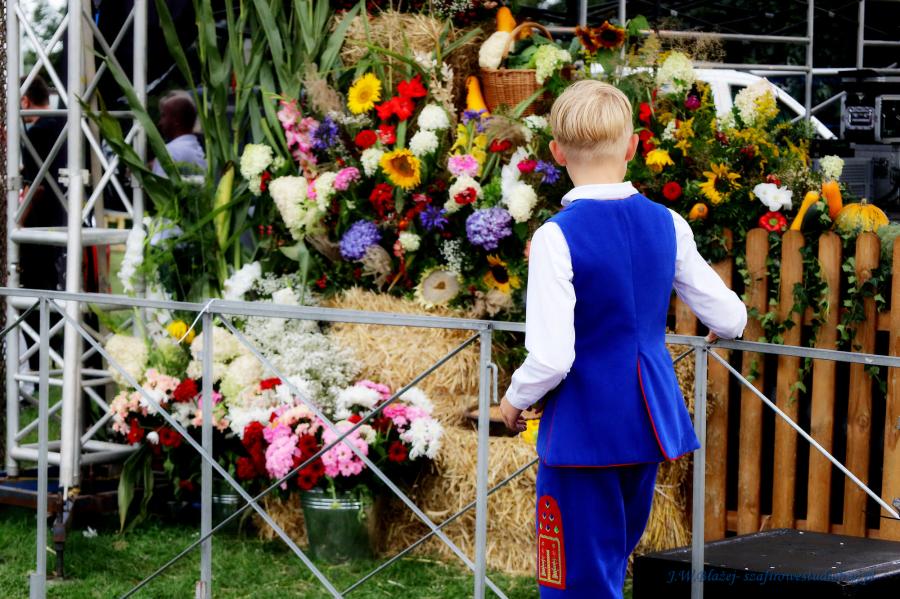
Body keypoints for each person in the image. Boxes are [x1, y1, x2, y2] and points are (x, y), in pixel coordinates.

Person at [499, 80, 747, 597]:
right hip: (646, 423)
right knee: (610, 565)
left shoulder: (555, 235)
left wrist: (514, 399)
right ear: (633, 146)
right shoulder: (668, 222)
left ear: (557, 152)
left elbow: (552, 356)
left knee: (573, 581)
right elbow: (729, 315)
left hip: (583, 428)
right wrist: (723, 330)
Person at [151, 91, 206, 176]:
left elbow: (159, 183)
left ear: (176, 120)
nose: (160, 123)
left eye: (163, 115)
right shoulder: (203, 150)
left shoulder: (168, 153)